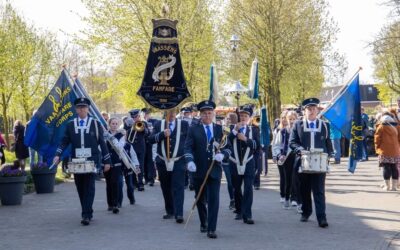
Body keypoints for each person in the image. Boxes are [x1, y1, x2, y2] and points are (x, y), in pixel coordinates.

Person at [53, 97, 111, 226]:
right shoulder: (70, 124)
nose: (82, 109)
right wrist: (58, 154)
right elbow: (64, 141)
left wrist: (107, 161)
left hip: (92, 160)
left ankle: (86, 215)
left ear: (88, 108)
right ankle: (87, 210)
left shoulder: (95, 124)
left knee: (89, 186)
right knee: (80, 187)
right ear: (76, 109)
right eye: (79, 107)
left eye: (84, 107)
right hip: (76, 161)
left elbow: (102, 142)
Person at [184, 100, 231, 239]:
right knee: (200, 199)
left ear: (213, 114)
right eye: (204, 113)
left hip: (215, 170)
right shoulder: (193, 129)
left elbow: (228, 148)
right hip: (198, 170)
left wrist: (223, 155)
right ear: (200, 115)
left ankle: (212, 228)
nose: (207, 116)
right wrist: (190, 161)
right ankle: (203, 221)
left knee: (214, 199)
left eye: (210, 113)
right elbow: (188, 147)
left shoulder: (219, 129)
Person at [289, 97, 333, 228]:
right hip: (304, 162)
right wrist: (300, 150)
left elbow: (328, 143)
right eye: (309, 109)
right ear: (304, 111)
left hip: (319, 163)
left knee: (319, 190)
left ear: (317, 110)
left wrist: (328, 156)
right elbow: (292, 142)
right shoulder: (298, 124)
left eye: (314, 109)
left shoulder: (325, 125)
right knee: (304, 189)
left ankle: (322, 217)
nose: (312, 111)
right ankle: (306, 212)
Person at [149, 108, 189, 223]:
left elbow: (188, 141)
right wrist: (162, 134)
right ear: (165, 112)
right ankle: (170, 211)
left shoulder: (184, 124)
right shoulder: (158, 124)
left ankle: (179, 213)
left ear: (176, 113)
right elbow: (150, 139)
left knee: (178, 187)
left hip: (178, 161)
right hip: (162, 161)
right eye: (169, 112)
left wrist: (188, 160)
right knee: (166, 187)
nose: (171, 114)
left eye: (173, 112)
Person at [228, 105, 260, 224]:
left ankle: (248, 214)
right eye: (241, 115)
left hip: (248, 162)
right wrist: (235, 131)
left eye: (245, 116)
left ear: (249, 118)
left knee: (248, 189)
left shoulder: (254, 130)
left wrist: (246, 139)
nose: (243, 118)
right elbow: (226, 141)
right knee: (236, 188)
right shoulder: (231, 128)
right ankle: (239, 210)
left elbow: (257, 146)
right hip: (234, 162)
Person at [374, 112, 400, 191]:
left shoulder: (381, 127)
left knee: (386, 167)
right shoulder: (397, 126)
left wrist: (377, 148)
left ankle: (387, 186)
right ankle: (394, 187)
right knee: (394, 167)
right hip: (395, 150)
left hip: (384, 150)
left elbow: (377, 139)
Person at [104, 118, 125, 214]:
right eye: (113, 123)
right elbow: (101, 147)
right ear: (109, 124)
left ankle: (116, 204)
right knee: (108, 184)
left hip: (116, 162)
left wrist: (112, 138)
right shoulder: (104, 134)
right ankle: (110, 204)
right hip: (107, 162)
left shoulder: (121, 135)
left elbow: (120, 148)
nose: (114, 125)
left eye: (116, 123)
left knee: (115, 183)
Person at [127, 109, 149, 191]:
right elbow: (125, 133)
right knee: (132, 165)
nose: (134, 118)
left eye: (136, 117)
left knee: (140, 165)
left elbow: (147, 133)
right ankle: (134, 183)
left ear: (139, 116)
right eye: (133, 117)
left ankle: (140, 183)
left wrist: (141, 126)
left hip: (140, 147)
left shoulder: (143, 123)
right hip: (131, 146)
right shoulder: (128, 123)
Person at [271, 111, 288, 204]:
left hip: (290, 155)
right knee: (283, 176)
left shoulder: (292, 129)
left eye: (286, 117)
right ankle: (282, 194)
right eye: (283, 118)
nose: (285, 119)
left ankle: (290, 194)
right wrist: (274, 155)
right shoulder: (277, 130)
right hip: (280, 155)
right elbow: (274, 144)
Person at [223, 112, 238, 209]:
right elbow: (223, 141)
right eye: (227, 118)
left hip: (234, 158)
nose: (227, 120)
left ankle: (235, 199)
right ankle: (232, 199)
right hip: (226, 159)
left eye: (228, 118)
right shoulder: (225, 129)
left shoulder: (235, 128)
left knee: (233, 181)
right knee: (230, 181)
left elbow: (229, 139)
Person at [142, 108, 158, 186]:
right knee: (144, 161)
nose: (146, 115)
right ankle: (146, 178)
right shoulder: (141, 122)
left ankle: (151, 178)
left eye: (147, 114)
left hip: (151, 143)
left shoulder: (154, 121)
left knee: (150, 161)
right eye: (144, 114)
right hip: (143, 143)